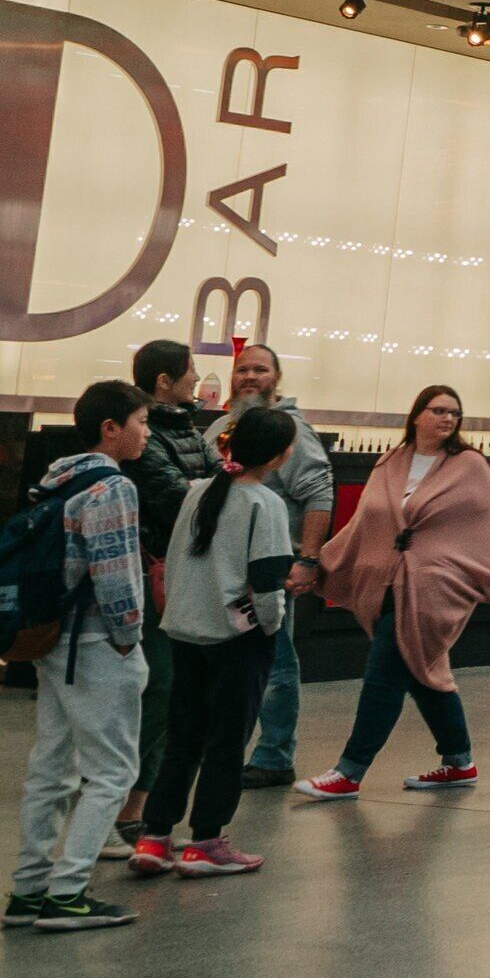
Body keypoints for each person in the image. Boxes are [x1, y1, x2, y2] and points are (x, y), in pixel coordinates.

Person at [300, 385, 490, 801]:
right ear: (416, 415)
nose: (447, 419)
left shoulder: (470, 467)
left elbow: (485, 530)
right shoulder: (391, 462)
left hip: (435, 588)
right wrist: (323, 563)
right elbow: (365, 523)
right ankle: (458, 762)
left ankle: (349, 771)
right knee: (423, 673)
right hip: (387, 585)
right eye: (438, 410)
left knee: (384, 675)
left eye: (454, 412)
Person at [11, 382, 153, 931]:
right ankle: (68, 893)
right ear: (109, 428)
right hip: (96, 644)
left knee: (51, 767)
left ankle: (28, 889)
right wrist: (129, 638)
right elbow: (115, 574)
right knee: (114, 771)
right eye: (140, 421)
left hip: (51, 642)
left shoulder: (57, 480)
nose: (147, 431)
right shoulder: (112, 486)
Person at [132, 406, 296, 879]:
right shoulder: (265, 504)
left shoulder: (198, 492)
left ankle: (154, 835)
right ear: (281, 456)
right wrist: (270, 625)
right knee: (227, 739)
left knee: (183, 736)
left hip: (186, 629)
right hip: (236, 638)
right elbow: (268, 581)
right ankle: (206, 841)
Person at [205, 343, 331, 789]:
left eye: (260, 370)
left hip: (271, 570)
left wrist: (308, 559)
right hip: (223, 569)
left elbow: (318, 492)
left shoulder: (290, 430)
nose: (250, 377)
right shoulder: (221, 428)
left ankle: (275, 756)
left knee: (276, 663)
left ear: (276, 378)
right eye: (242, 370)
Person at [111, 341, 215, 843]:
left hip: (177, 572)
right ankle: (119, 803)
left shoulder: (184, 430)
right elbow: (180, 497)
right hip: (152, 575)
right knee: (158, 687)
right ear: (164, 382)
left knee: (168, 689)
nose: (197, 379)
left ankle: (137, 804)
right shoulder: (148, 439)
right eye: (190, 372)